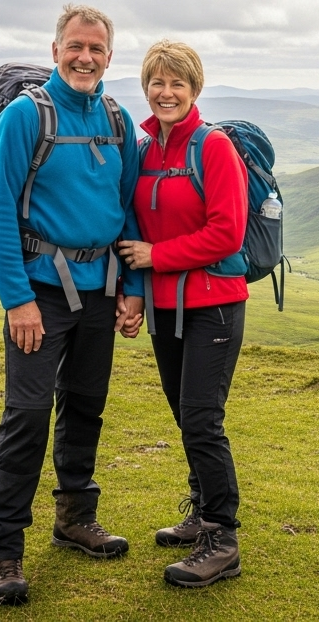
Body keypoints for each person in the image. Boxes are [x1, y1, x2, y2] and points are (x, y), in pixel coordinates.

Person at [0, 4, 146, 605]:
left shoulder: (118, 118)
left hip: (101, 289)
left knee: (85, 405)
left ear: (109, 57)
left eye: (96, 49)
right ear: (55, 51)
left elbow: (128, 209)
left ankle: (75, 518)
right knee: (24, 414)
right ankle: (3, 548)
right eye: (75, 46)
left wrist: (133, 289)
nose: (85, 58)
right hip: (39, 293)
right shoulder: (25, 117)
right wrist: (17, 300)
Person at [118, 40, 248, 588]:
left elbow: (227, 232)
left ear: (195, 89)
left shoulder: (212, 146)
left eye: (177, 83)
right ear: (146, 87)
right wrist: (137, 291)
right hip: (167, 309)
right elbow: (136, 226)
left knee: (201, 418)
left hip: (215, 304)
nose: (166, 92)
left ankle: (223, 539)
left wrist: (156, 259)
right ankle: (200, 513)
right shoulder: (145, 148)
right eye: (157, 82)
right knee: (184, 414)